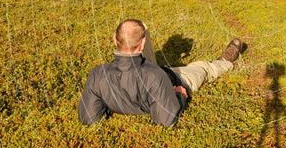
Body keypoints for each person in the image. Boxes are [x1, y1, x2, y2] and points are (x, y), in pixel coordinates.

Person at [79, 19, 244, 126]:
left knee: (140, 26)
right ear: (143, 44)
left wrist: (114, 100)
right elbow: (166, 119)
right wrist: (180, 94)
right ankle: (225, 61)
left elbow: (88, 117)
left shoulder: (97, 74)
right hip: (172, 79)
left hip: (147, 73)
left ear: (115, 39)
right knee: (203, 68)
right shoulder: (155, 76)